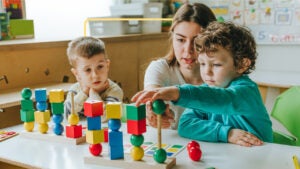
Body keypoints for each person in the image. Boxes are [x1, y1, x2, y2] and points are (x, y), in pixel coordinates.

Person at [132, 21, 273, 147]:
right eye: (203, 64)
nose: (207, 72)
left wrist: (178, 92)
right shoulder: (208, 91)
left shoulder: (247, 92)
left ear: (242, 64)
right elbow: (185, 124)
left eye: (216, 65)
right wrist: (227, 133)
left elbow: (223, 99)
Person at [144, 2, 217, 129]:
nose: (188, 50)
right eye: (180, 40)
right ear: (172, 38)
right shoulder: (160, 69)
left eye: (197, 41)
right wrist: (154, 113)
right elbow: (152, 96)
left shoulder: (221, 76)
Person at [64, 36, 123, 122]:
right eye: (88, 70)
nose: (95, 75)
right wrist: (84, 93)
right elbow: (67, 115)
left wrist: (93, 93)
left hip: (104, 134)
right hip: (82, 134)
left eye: (100, 67)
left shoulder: (114, 90)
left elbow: (104, 118)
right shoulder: (74, 90)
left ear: (107, 66)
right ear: (77, 74)